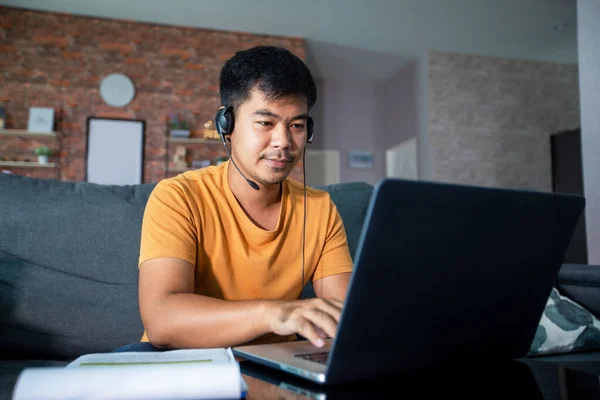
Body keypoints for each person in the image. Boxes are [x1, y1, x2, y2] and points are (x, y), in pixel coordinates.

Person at [114, 46, 353, 353]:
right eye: (265, 123)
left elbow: (343, 317)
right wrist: (275, 313)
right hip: (185, 360)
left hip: (274, 363)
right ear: (226, 126)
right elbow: (162, 320)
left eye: (296, 125)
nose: (283, 141)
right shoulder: (178, 197)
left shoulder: (320, 209)